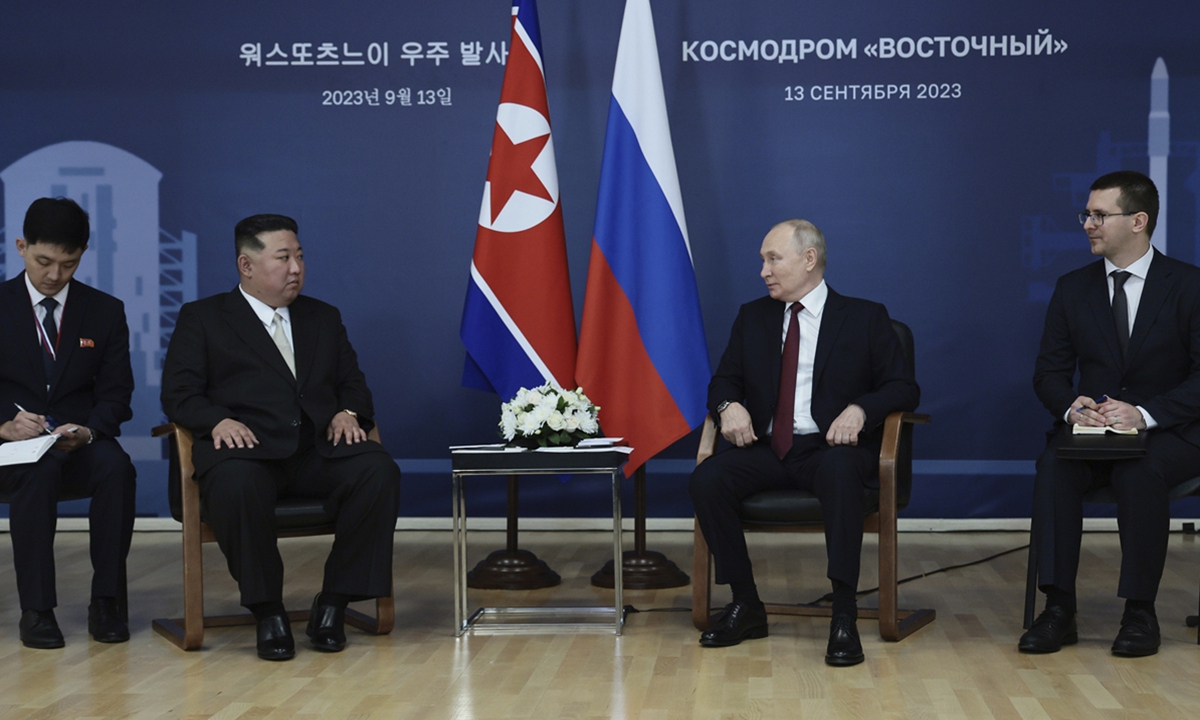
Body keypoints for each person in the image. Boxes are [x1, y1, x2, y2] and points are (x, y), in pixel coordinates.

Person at [160, 214, 400, 661]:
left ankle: (334, 602)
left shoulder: (323, 317)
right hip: (246, 454)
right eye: (283, 258)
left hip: (315, 453)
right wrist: (217, 421)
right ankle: (267, 610)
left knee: (377, 469)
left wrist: (349, 413)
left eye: (300, 257)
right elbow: (179, 394)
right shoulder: (204, 318)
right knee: (236, 483)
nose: (296, 268)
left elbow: (354, 385)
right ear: (246, 265)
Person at [689, 219, 919, 666]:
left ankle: (844, 614)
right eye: (762, 261)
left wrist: (861, 409)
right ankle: (746, 603)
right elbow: (723, 381)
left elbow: (903, 388)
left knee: (840, 471)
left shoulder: (864, 317)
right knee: (707, 479)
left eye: (773, 259)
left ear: (809, 259)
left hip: (830, 450)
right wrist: (727, 407)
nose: (763, 271)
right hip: (767, 449)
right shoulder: (753, 317)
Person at [1022, 170, 1200, 657]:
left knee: (1140, 472)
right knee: (1053, 469)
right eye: (1087, 214)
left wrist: (1144, 413)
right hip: (1092, 432)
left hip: (1171, 433)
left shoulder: (1189, 286)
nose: (1088, 224)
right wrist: (1071, 406)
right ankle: (1058, 609)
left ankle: (1140, 612)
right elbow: (1048, 373)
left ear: (1138, 221)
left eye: (1100, 215)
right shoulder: (1072, 288)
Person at [0, 197, 137, 649]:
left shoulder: (104, 311)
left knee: (117, 467)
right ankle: (37, 611)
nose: (54, 275)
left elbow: (117, 394)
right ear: (21, 247)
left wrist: (89, 431)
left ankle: (107, 602)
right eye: (43, 261)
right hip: (8, 449)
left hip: (75, 442)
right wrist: (4, 427)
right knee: (35, 471)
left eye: (68, 264)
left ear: (82, 255)